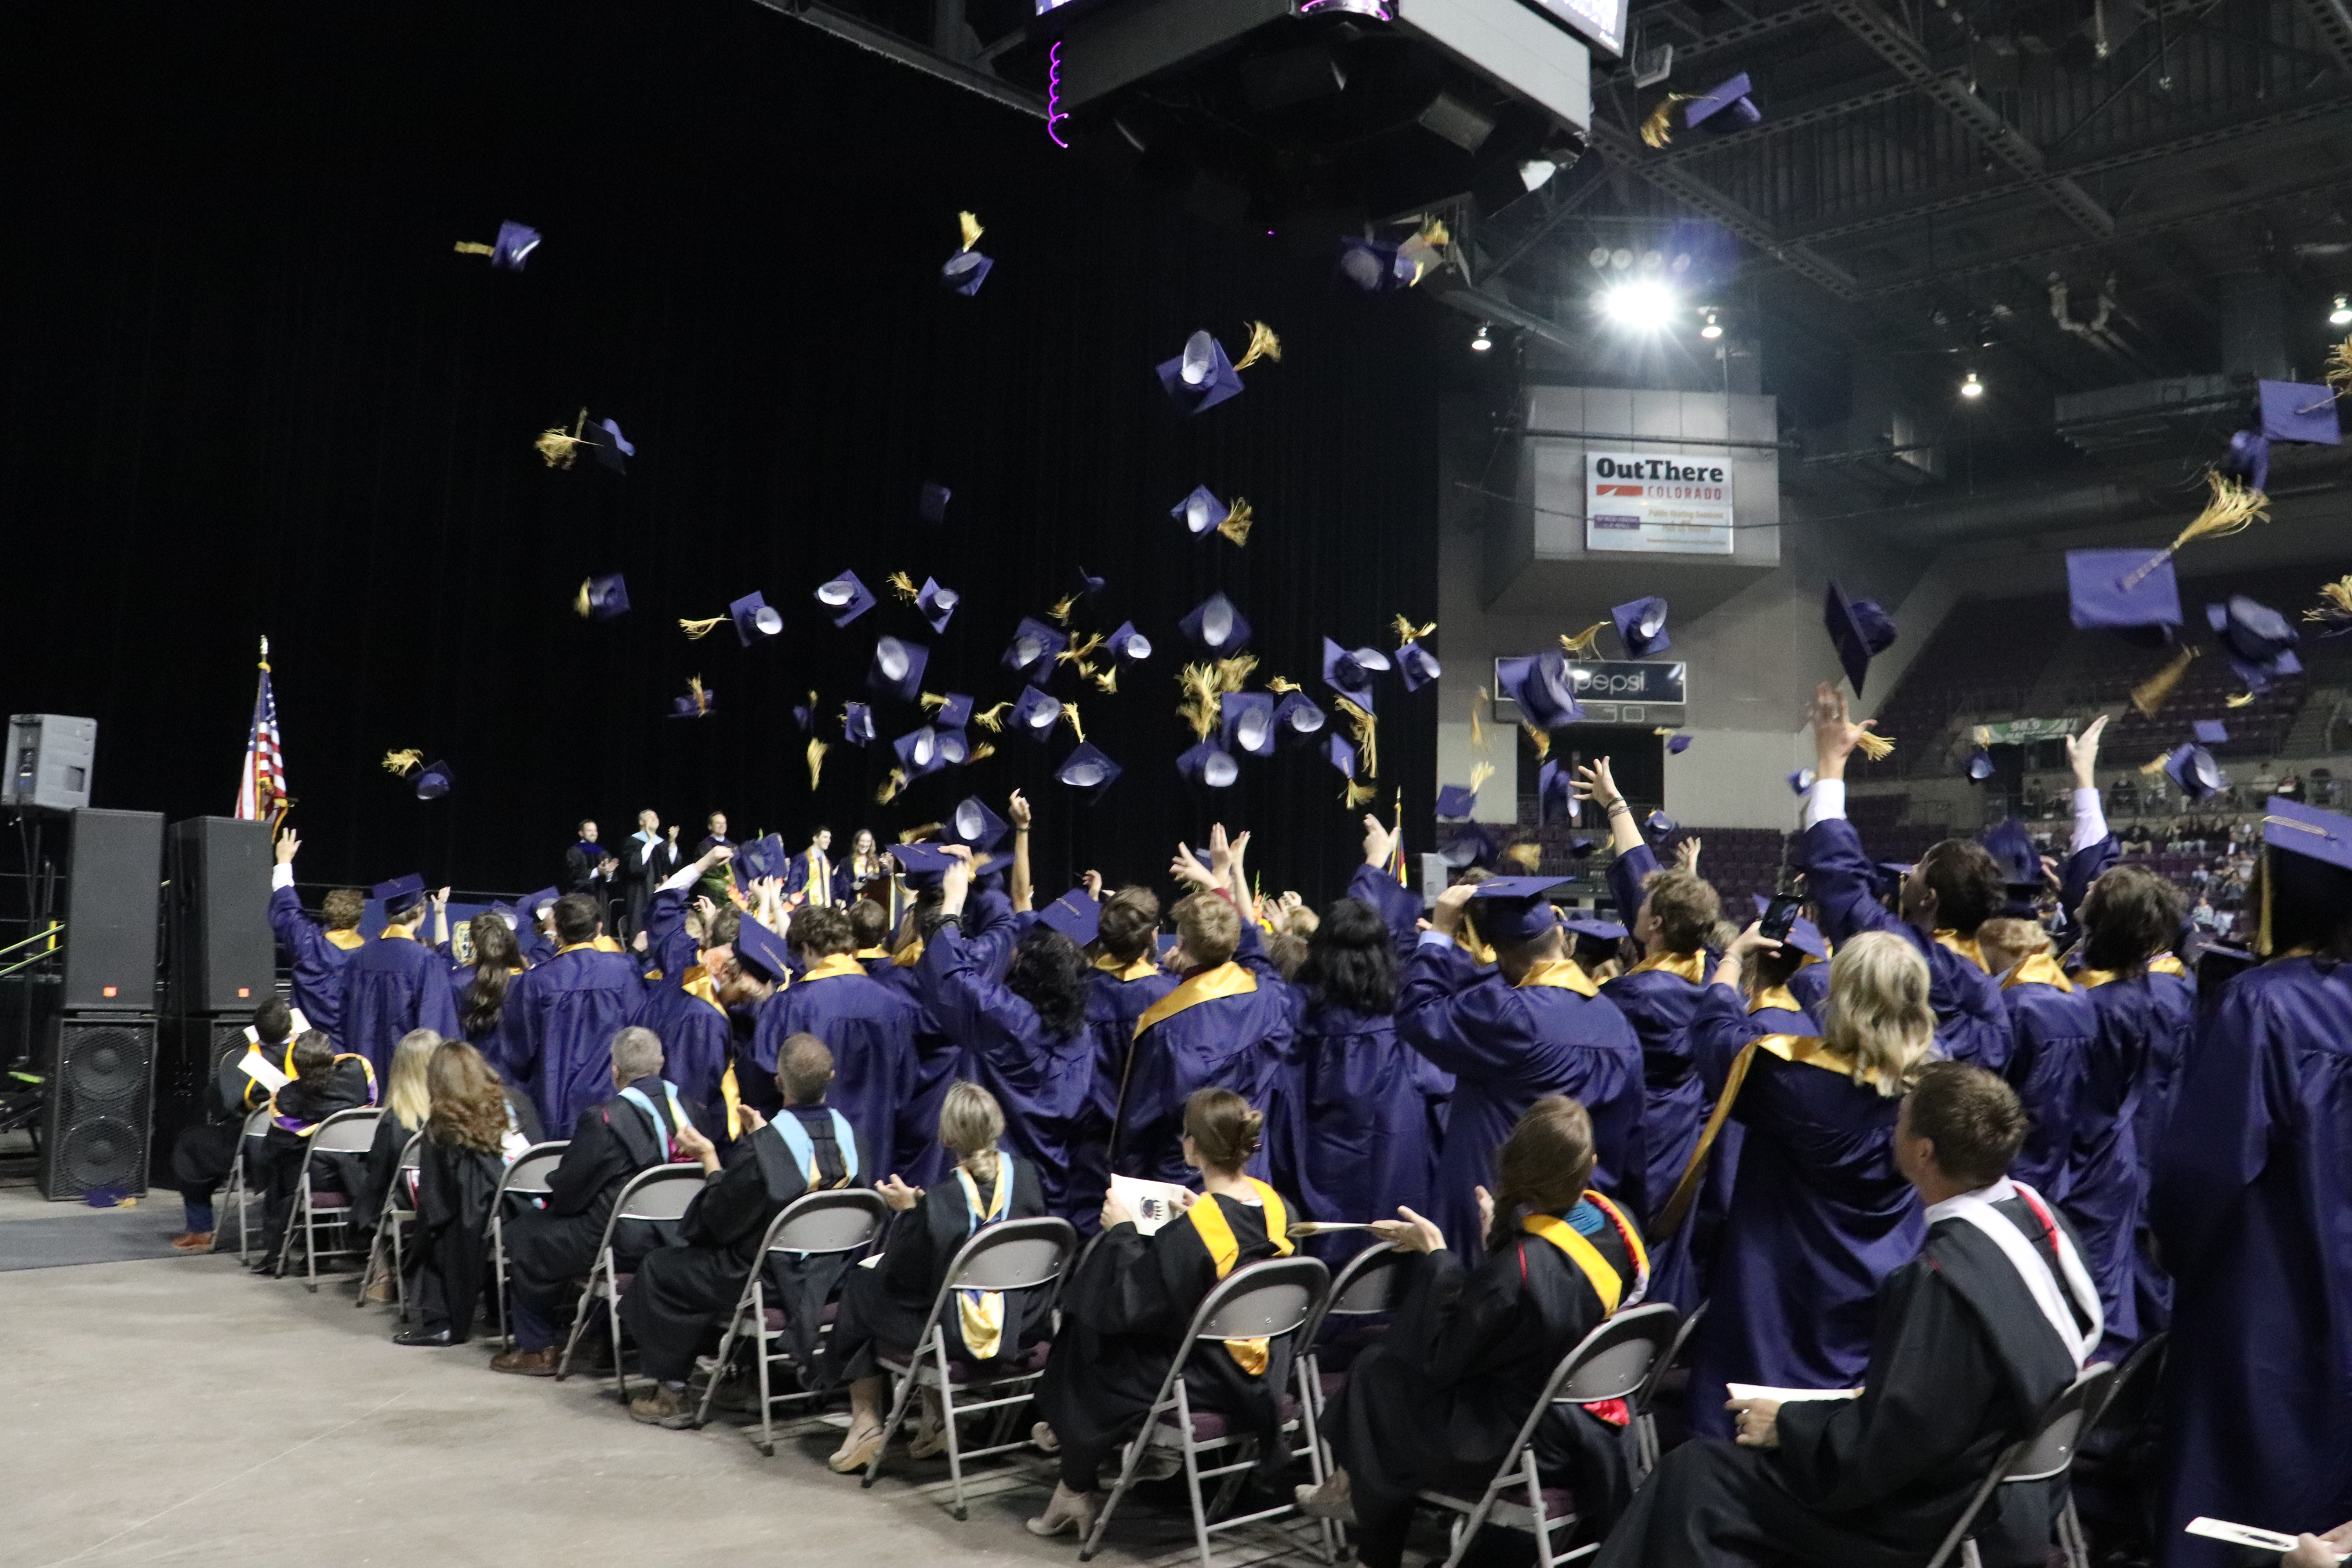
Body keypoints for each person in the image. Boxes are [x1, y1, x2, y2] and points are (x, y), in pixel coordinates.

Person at [1596, 1061, 2101, 1568]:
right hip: (1994, 1485)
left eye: (1901, 1120)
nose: (1891, 1131)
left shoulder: (1939, 1279)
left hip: (1922, 1512)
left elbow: (1882, 1452)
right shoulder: (2039, 1223)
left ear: (1923, 1152)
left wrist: (1791, 1425)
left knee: (1694, 1477)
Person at [1299, 1096, 1649, 1564]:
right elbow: (1535, 1311)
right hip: (1586, 1423)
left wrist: (1437, 1255)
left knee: (1377, 1369)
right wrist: (1502, 1245)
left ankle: (1366, 1514)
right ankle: (1356, 1493)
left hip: (1516, 1439)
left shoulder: (1516, 1270)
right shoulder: (1618, 1225)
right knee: (1385, 1375)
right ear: (1591, 1165)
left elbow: (1445, 1358)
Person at [2151, 798, 2352, 1568]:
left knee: (2243, 1513)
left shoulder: (2263, 1004)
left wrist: (2181, 1253)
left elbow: (2203, 1171)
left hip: (2267, 1307)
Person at [1679, 927, 1933, 1440]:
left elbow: (1713, 1037)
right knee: (1845, 1419)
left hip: (1783, 1287)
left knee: (1743, 1437)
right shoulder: (1932, 1085)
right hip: (1882, 1275)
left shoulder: (1797, 1084)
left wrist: (1731, 959)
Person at [1027, 1089, 1304, 1541]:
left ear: (1191, 1146)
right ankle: (1078, 1466)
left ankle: (1073, 1478)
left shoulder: (1195, 1233)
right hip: (1266, 1371)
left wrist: (1122, 1233)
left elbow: (1128, 1304)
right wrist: (1197, 1219)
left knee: (1087, 1334)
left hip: (1204, 1377)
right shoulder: (1280, 1208)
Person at [1397, 871, 1644, 1260]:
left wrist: (1440, 931)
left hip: (1500, 1221)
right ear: (1562, 937)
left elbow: (1418, 1014)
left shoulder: (1512, 1015)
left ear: (1501, 956)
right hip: (1582, 1224)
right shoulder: (1619, 1026)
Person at [620, 1034, 862, 1427]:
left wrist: (710, 1158)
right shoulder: (851, 1137)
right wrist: (762, 1138)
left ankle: (672, 1395)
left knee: (661, 1269)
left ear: (779, 1083)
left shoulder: (764, 1149)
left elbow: (717, 1219)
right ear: (832, 1077)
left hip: (768, 1277)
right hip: (833, 1275)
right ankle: (751, 1382)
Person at [817, 1081, 1048, 1472]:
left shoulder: (943, 1200)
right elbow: (981, 1226)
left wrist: (911, 1215)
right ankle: (935, 1420)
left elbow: (902, 1277)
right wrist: (924, 1212)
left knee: (862, 1290)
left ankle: (866, 1422)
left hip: (959, 1334)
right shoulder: (1025, 1175)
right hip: (1021, 1322)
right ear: (997, 1126)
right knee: (912, 1297)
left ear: (945, 1137)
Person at [1797, 684, 2014, 1074]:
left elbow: (1842, 883)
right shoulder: (1981, 986)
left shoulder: (1911, 956)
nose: (1909, 871)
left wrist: (1831, 765)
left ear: (1930, 898)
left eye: (1920, 867)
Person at [1579, 757, 1720, 1298]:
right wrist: (1615, 806)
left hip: (1643, 1137)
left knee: (1632, 1241)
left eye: (1646, 909)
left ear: (1656, 924)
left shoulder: (1634, 995)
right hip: (1689, 1133)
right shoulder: (1713, 972)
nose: (1636, 908)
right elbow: (1645, 880)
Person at [490, 1027, 705, 1375]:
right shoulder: (692, 1111)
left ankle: (538, 1347)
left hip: (619, 1240)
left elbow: (570, 1192)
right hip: (681, 1237)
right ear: (661, 1064)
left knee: (525, 1233)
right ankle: (601, 1339)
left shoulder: (604, 1119)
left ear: (615, 1071)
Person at [918, 846, 1097, 1222]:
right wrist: (979, 875)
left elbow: (954, 976)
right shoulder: (1081, 1034)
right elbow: (1019, 919)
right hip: (1055, 1192)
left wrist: (952, 901)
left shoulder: (1009, 1019)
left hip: (998, 1191)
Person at [1112, 826, 1290, 1185]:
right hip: (1250, 1175)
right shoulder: (1272, 997)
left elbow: (1139, 1130)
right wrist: (1218, 882)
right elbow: (1255, 946)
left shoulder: (1165, 1027)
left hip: (1187, 1183)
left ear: (1180, 944)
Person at [1267, 895, 1438, 1258]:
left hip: (1323, 1156)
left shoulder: (1299, 1008)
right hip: (1395, 1147)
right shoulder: (1405, 1006)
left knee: (1330, 1247)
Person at [2070, 863, 2192, 1359]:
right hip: (2158, 1147)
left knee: (2109, 1292)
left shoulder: (2090, 1007)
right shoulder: (2172, 990)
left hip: (2105, 1157)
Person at [752, 903, 922, 1181]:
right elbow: (906, 1084)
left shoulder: (790, 1005)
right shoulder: (894, 1005)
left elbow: (763, 1081)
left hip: (807, 1152)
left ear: (807, 948)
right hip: (875, 1148)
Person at [629, 855, 775, 1128]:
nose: (743, 1001)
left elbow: (663, 905)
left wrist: (703, 865)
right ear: (733, 974)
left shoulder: (683, 966)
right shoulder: (706, 1020)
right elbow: (692, 1102)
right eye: (744, 995)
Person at [395, 1041, 515, 1347]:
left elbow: (436, 1202)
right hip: (514, 1210)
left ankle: (442, 1322)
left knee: (432, 1235)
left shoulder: (442, 1126)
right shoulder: (512, 1107)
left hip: (471, 1223)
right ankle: (502, 1312)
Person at [1071, 887, 1176, 1233]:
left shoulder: (1078, 991)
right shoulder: (1170, 999)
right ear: (1151, 938)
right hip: (1148, 1143)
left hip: (1087, 1140)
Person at [503, 891, 647, 1135]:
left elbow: (518, 1054)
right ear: (599, 927)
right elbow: (639, 1034)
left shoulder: (536, 982)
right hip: (613, 1107)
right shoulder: (625, 972)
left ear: (556, 930)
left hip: (552, 1108)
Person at [1974, 917, 2094, 1200]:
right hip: (2063, 1158)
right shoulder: (2080, 999)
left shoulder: (2013, 1006)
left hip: (2013, 1159)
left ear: (1995, 947)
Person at [168, 997, 298, 1252]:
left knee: (190, 1144)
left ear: (256, 1029)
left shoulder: (240, 1060)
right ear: (292, 1029)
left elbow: (220, 1106)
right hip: (306, 1150)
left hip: (256, 1151)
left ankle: (200, 1230)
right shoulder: (315, 1054)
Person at [254, 1030, 379, 1267]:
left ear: (296, 1066)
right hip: (362, 1174)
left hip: (318, 1181)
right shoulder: (358, 1074)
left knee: (283, 1165)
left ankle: (276, 1252)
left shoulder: (290, 1098)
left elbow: (277, 1150)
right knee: (324, 1156)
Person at [336, 872, 463, 1080]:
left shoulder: (359, 957)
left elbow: (343, 1015)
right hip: (405, 1078)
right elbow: (435, 1028)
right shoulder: (424, 961)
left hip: (362, 1077)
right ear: (421, 911)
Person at [266, 831, 366, 1041]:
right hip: (349, 1049)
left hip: (306, 1048)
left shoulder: (307, 943)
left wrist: (284, 861)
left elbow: (287, 910)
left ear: (326, 916)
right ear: (358, 921)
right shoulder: (369, 958)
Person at [454, 911, 526, 1057]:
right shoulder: (525, 981)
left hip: (471, 1070)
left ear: (473, 943)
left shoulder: (457, 982)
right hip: (518, 1074)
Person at [622, 811, 683, 938]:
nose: (654, 819)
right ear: (641, 822)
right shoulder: (632, 842)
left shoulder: (662, 844)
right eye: (650, 817)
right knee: (641, 930)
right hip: (640, 893)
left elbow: (672, 868)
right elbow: (635, 867)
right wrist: (650, 841)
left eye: (656, 816)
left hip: (660, 894)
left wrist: (672, 842)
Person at [834, 827, 892, 907]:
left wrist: (886, 868)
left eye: (868, 842)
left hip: (875, 905)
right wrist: (852, 886)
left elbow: (886, 882)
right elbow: (839, 885)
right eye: (863, 841)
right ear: (857, 842)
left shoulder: (877, 861)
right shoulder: (847, 862)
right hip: (854, 905)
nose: (865, 845)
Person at [564, 818, 621, 899]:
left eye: (595, 831)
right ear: (581, 833)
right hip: (581, 898)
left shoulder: (602, 852)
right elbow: (574, 876)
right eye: (590, 831)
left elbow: (611, 884)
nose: (594, 834)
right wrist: (597, 872)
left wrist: (609, 874)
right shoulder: (575, 851)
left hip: (601, 899)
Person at [786, 826, 835, 908]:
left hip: (825, 908)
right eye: (825, 837)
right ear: (815, 839)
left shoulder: (827, 863)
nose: (828, 841)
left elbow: (831, 886)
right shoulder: (801, 859)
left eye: (829, 838)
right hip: (806, 908)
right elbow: (793, 886)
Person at [693, 812, 736, 902]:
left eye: (724, 823)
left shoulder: (733, 847)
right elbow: (706, 871)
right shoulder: (704, 847)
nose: (722, 826)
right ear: (710, 827)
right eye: (718, 823)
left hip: (733, 893)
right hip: (712, 894)